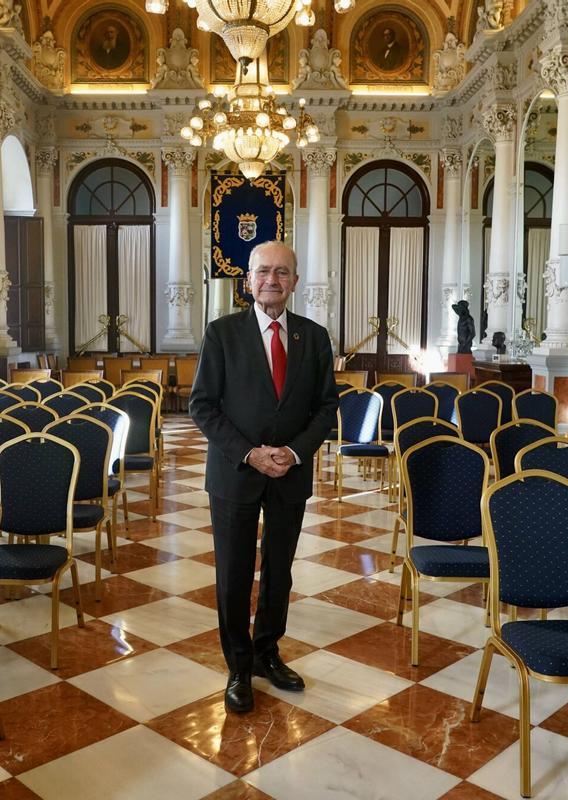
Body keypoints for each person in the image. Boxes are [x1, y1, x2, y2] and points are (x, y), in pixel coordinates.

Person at [189, 241, 338, 714]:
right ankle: (238, 666)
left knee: (279, 571)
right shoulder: (222, 333)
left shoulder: (314, 337)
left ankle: (267, 652)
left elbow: (326, 407)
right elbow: (202, 406)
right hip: (235, 472)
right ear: (248, 280)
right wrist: (250, 454)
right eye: (263, 272)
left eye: (282, 272)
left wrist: (293, 453)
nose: (272, 280)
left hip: (290, 474)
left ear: (295, 281)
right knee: (233, 574)